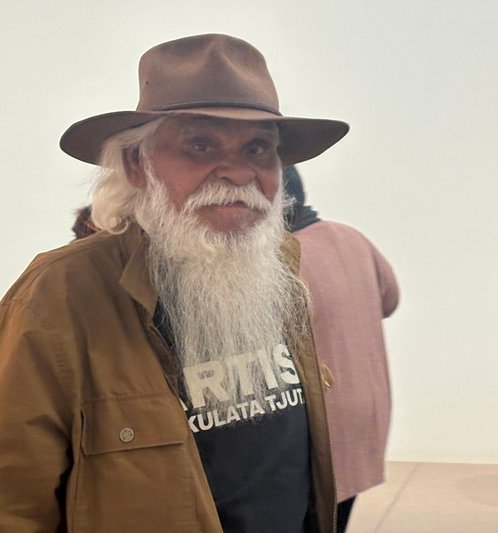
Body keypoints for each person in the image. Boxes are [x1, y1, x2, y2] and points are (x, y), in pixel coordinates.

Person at [0, 34, 350, 532]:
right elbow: (12, 502)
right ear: (136, 164)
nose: (235, 172)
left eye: (258, 148)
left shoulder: (277, 272)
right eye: (200, 145)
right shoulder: (58, 297)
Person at [284, 166, 399, 533]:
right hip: (366, 409)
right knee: (337, 518)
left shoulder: (277, 258)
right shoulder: (351, 238)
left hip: (319, 423)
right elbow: (390, 299)